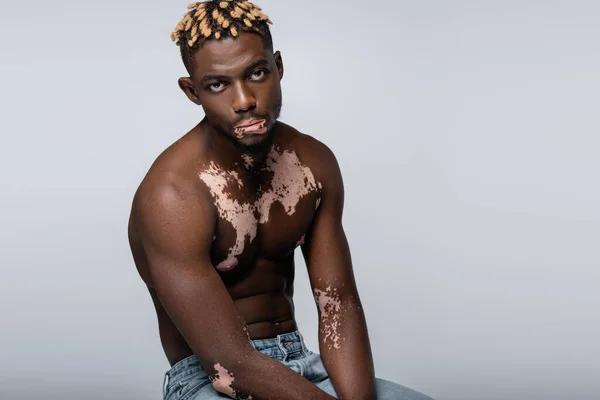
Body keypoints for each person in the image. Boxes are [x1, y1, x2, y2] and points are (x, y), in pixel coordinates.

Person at [128, 1, 435, 399]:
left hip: (304, 366)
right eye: (218, 84)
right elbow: (231, 362)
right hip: (211, 380)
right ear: (192, 91)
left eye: (257, 74)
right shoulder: (172, 195)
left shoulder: (312, 163)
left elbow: (337, 304)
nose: (244, 100)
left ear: (278, 66)